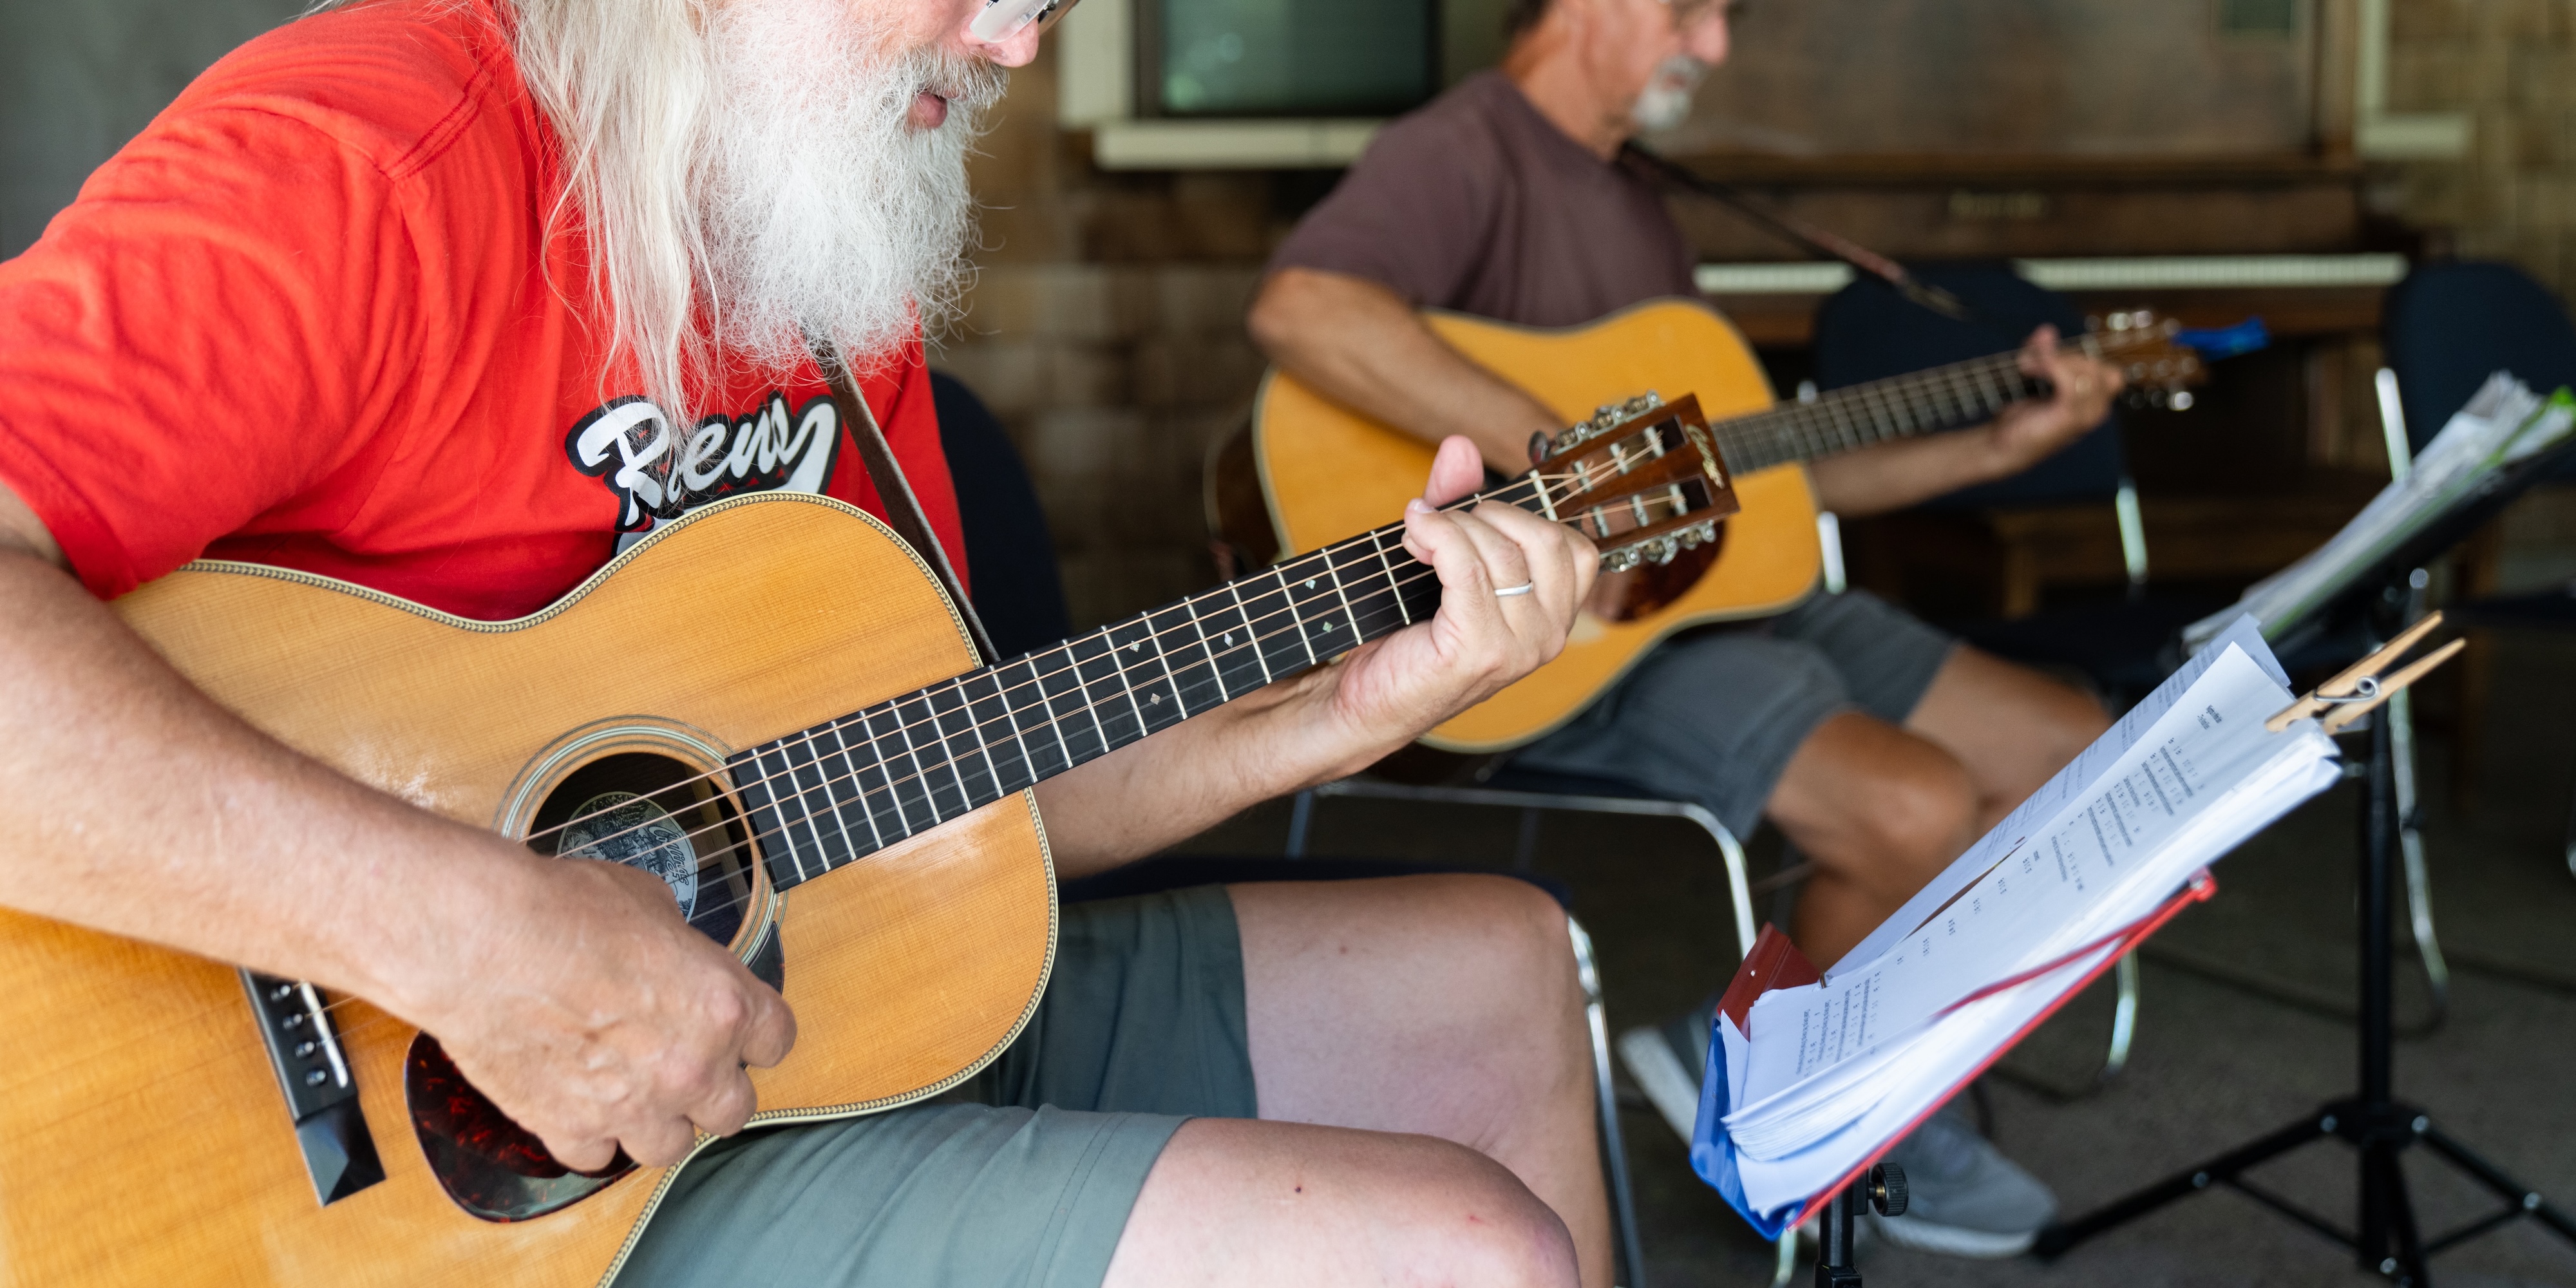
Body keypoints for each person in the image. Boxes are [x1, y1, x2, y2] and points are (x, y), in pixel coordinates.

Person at [0, 1, 1622, 1285]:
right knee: (1458, 1256)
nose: (1017, 46)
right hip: (452, 1183)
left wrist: (1330, 718)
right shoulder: (372, 159)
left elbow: (928, 800)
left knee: (1506, 973)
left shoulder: (824, 250)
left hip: (804, 1009)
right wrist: (471, 937)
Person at [1246, 0, 2125, 1260]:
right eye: (1688, 8)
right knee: (1910, 807)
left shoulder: (1633, 200)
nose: (1710, 46)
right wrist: (1565, 463)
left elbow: (1752, 488)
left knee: (2070, 752)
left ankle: (1821, 1044)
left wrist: (1995, 445)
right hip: (1580, 642)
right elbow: (1302, 309)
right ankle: (1794, 1100)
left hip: (1729, 601)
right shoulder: (1466, 148)